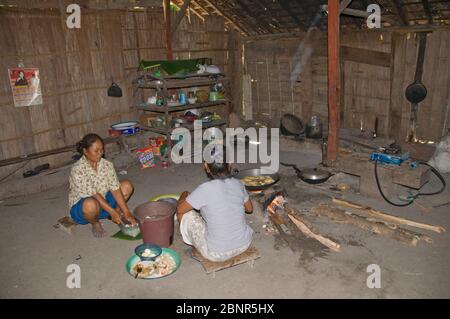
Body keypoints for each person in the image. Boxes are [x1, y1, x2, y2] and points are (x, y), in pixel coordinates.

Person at [176, 146, 253, 262]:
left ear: (206, 166)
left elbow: (180, 210)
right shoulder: (238, 184)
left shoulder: (204, 189)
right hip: (244, 244)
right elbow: (249, 209)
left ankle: (195, 249)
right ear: (230, 163)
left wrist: (184, 195)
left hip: (217, 253)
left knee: (184, 214)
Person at [68, 133, 137, 237]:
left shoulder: (107, 165)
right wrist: (111, 211)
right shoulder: (77, 169)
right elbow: (94, 194)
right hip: (84, 209)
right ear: (85, 151)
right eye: (96, 151)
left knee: (126, 185)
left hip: (103, 203)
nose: (100, 153)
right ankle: (95, 223)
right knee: (90, 203)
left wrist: (126, 211)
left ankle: (117, 213)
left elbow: (115, 188)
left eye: (101, 150)